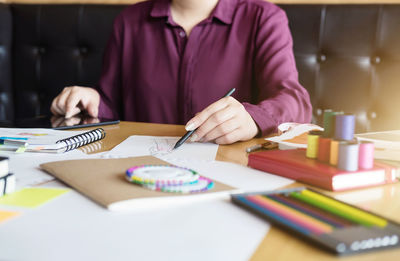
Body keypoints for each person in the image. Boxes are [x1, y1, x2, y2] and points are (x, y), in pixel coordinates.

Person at [51, 0, 312, 144]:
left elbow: (295, 101)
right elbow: (111, 104)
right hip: (140, 170)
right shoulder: (129, 22)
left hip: (230, 171)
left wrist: (252, 119)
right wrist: (94, 101)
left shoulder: (263, 17)